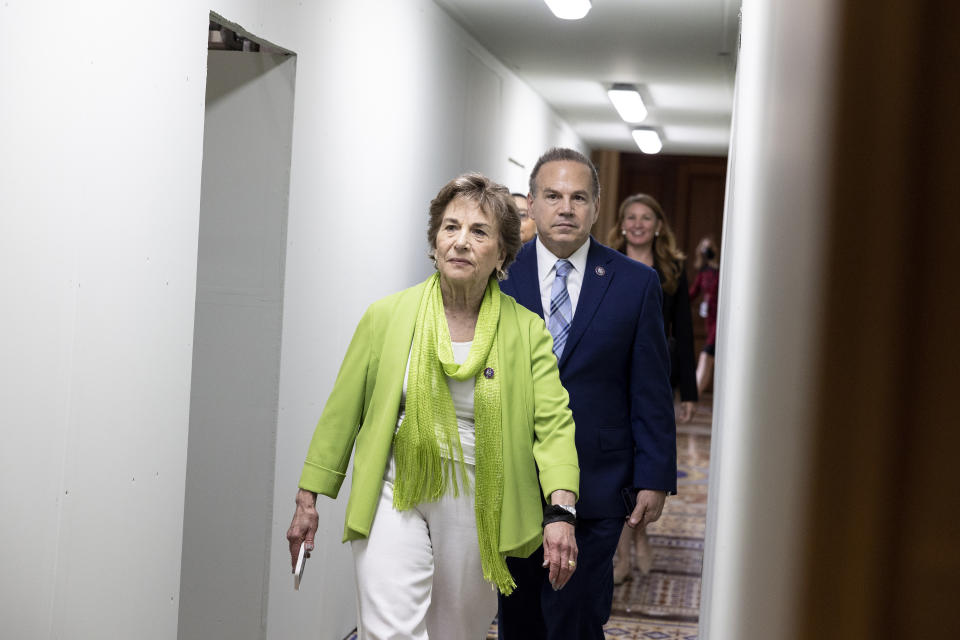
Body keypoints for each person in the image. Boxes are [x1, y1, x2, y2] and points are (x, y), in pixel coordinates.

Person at [286, 173, 580, 640]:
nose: (461, 242)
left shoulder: (526, 332)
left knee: (454, 632)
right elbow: (342, 413)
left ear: (502, 253)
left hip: (482, 495)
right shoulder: (387, 316)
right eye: (451, 227)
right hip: (394, 486)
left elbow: (554, 425)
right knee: (389, 630)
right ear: (434, 241)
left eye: (478, 232)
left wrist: (561, 512)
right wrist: (308, 498)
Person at [497, 148, 676, 639]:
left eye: (579, 197)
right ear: (531, 204)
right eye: (552, 196)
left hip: (598, 480)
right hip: (513, 476)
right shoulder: (498, 277)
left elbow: (651, 387)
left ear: (597, 207)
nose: (566, 208)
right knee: (520, 617)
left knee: (575, 614)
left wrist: (655, 474)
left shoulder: (634, 283)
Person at [605, 193, 698, 583]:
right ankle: (623, 548)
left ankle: (637, 533)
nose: (638, 224)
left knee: (643, 461)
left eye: (646, 218)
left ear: (658, 225)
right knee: (621, 464)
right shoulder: (604, 263)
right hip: (611, 375)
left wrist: (689, 392)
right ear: (621, 223)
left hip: (654, 378)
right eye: (631, 217)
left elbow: (686, 332)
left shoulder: (672, 268)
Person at [689, 236, 720, 398]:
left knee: (706, 356)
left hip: (720, 320)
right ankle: (694, 399)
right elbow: (692, 293)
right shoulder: (702, 274)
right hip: (709, 320)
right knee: (709, 358)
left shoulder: (720, 271)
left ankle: (692, 397)